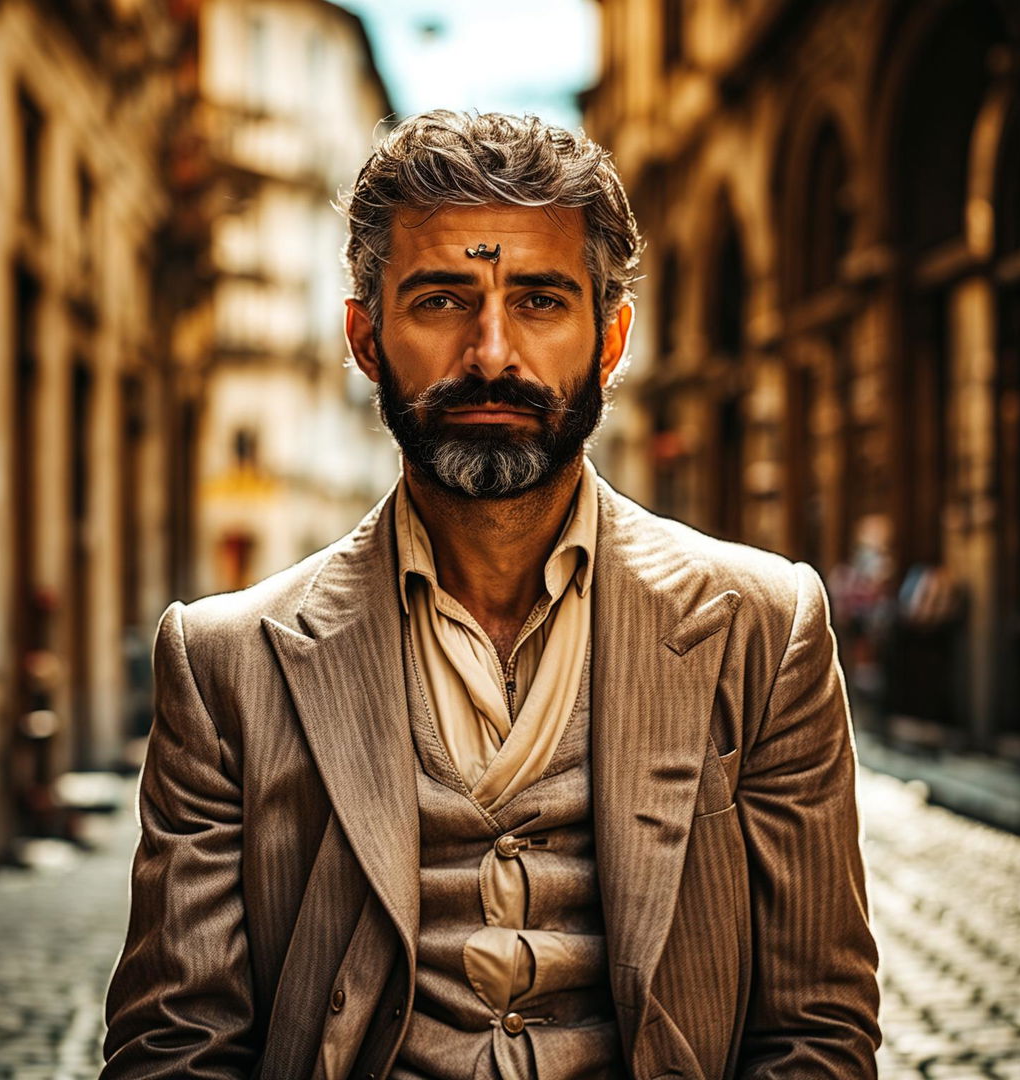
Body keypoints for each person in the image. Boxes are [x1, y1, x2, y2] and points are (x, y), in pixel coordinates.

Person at [101, 110, 880, 1080]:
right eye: (440, 300)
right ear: (365, 338)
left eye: (542, 301)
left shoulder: (764, 631)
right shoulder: (225, 665)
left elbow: (816, 1037)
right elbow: (176, 1048)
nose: (493, 354)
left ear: (611, 339)